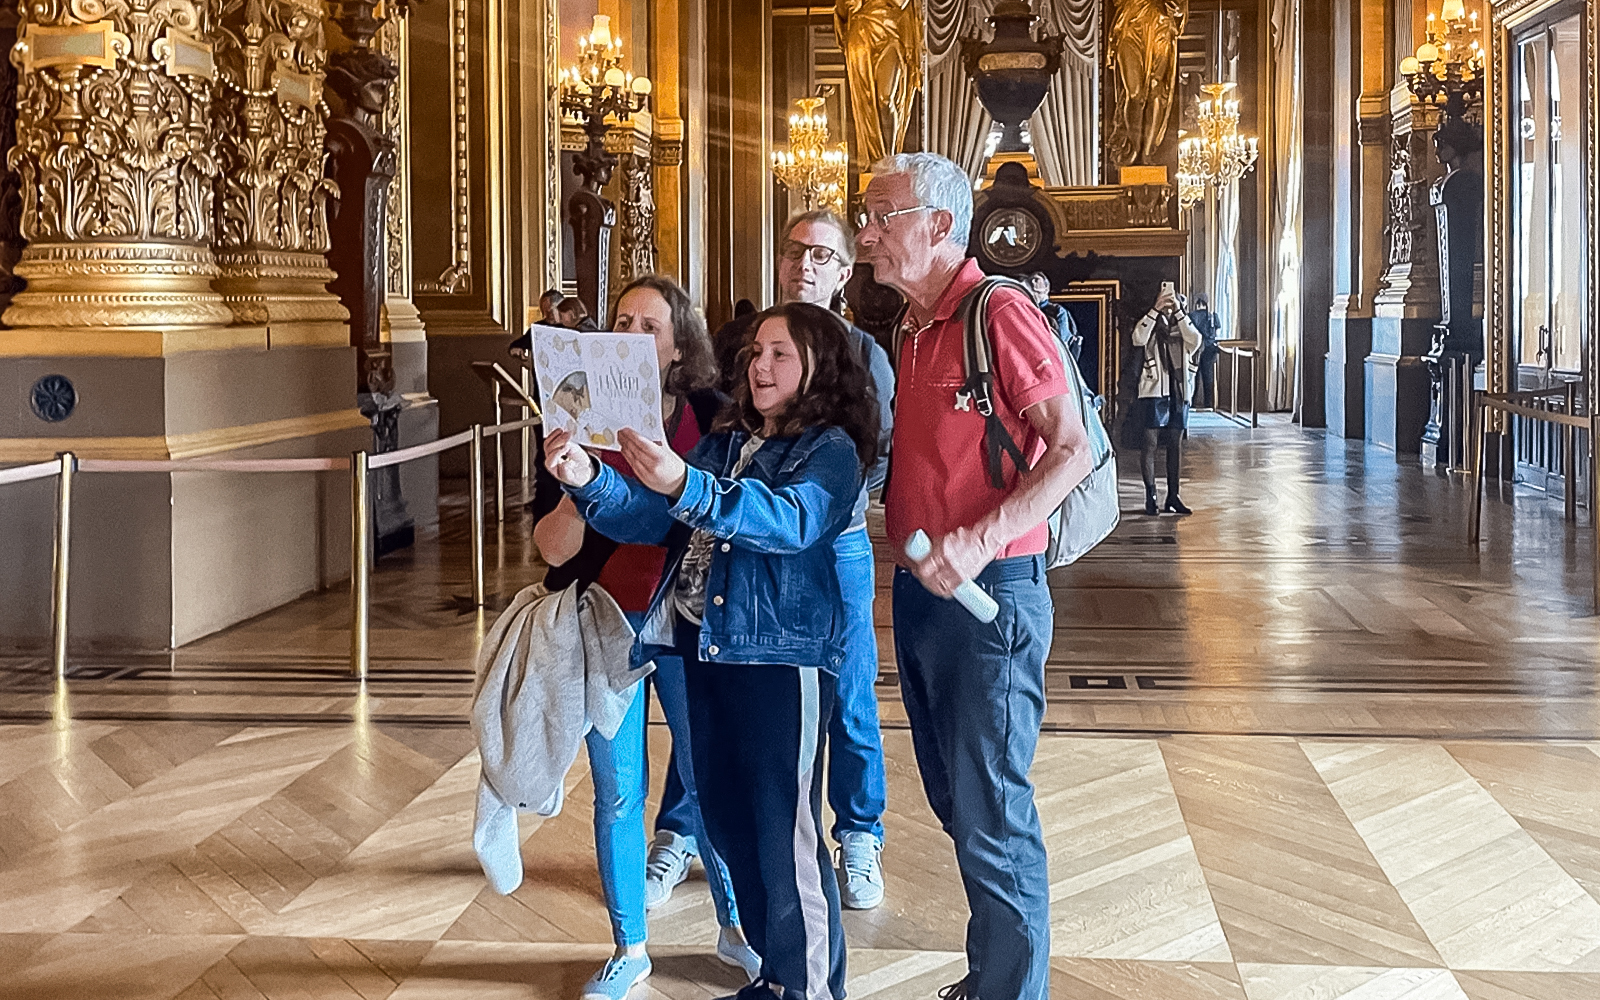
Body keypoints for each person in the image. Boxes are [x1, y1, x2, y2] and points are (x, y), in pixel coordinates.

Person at [547, 300, 880, 1000]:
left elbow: (788, 522)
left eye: (780, 353)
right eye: (755, 351)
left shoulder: (830, 450)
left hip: (779, 661)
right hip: (704, 648)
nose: (759, 365)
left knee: (781, 838)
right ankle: (775, 973)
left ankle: (813, 988)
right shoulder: (729, 439)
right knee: (727, 821)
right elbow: (655, 516)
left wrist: (686, 483)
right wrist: (591, 481)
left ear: (819, 365)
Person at [855, 152, 1093, 1000]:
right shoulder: (911, 327)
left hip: (995, 602)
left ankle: (1011, 991)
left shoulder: (998, 310)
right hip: (923, 597)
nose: (865, 232)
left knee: (992, 812)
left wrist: (981, 539)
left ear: (940, 225)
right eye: (866, 214)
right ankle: (994, 972)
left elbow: (1072, 449)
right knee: (961, 802)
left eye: (882, 214)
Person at [533, 275, 758, 1000]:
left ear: (678, 346)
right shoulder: (575, 415)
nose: (630, 334)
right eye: (621, 321)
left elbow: (721, 520)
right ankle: (629, 946)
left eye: (648, 325)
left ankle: (735, 928)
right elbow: (551, 549)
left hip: (696, 625)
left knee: (712, 780)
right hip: (610, 622)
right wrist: (574, 480)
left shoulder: (715, 418)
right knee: (617, 791)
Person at [678, 211, 895, 911]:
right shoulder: (745, 342)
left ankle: (858, 830)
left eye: (822, 254)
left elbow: (877, 451)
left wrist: (830, 503)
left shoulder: (863, 352)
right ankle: (685, 829)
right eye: (794, 250)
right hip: (736, 540)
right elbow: (721, 428)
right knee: (716, 694)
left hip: (831, 539)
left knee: (849, 694)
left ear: (842, 270)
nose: (805, 262)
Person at [1133, 286, 1201, 516]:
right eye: (1167, 300)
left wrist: (1180, 313)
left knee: (1175, 445)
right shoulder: (1151, 323)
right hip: (1154, 391)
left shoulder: (1184, 326)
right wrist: (1155, 309)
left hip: (1179, 392)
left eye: (1176, 301)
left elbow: (1196, 340)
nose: (1171, 304)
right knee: (1150, 443)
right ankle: (1150, 496)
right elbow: (1138, 338)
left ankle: (1173, 496)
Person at [1026, 271, 1081, 360]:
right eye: (1031, 281)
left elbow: (1062, 340)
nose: (1033, 283)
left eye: (1036, 280)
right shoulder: (1026, 309)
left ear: (1046, 288)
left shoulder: (1058, 310)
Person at [1189, 294, 1220, 409]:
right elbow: (1217, 334)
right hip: (1210, 347)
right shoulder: (1213, 316)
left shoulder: (1192, 315)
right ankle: (1208, 403)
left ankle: (1192, 402)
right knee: (1208, 376)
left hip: (1196, 348)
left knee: (1194, 375)